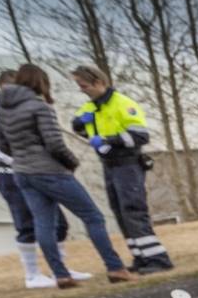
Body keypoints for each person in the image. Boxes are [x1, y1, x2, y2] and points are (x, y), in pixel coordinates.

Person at [0, 64, 134, 288]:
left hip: (22, 172)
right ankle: (115, 267)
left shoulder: (1, 110)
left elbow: (1, 144)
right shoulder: (39, 107)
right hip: (50, 171)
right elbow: (55, 144)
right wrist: (71, 162)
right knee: (93, 217)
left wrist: (23, 156)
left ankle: (61, 275)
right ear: (40, 83)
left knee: (44, 224)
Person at [0, 69, 91, 289]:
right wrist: (4, 159)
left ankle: (61, 269)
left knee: (57, 223)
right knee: (26, 223)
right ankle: (32, 274)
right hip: (10, 173)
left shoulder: (24, 106)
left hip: (35, 171)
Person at [69, 66, 174, 274]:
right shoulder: (91, 107)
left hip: (127, 163)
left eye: (84, 86)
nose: (82, 90)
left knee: (133, 210)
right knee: (120, 211)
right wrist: (80, 123)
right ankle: (140, 256)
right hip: (109, 165)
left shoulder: (122, 104)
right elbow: (79, 127)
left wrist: (109, 141)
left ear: (99, 82)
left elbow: (140, 136)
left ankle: (158, 259)